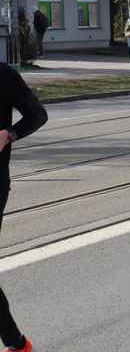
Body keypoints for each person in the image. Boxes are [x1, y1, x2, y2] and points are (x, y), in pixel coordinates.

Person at [1, 62, 48, 352]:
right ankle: (17, 344)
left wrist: (9, 134)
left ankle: (17, 345)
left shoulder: (4, 76)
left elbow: (38, 114)